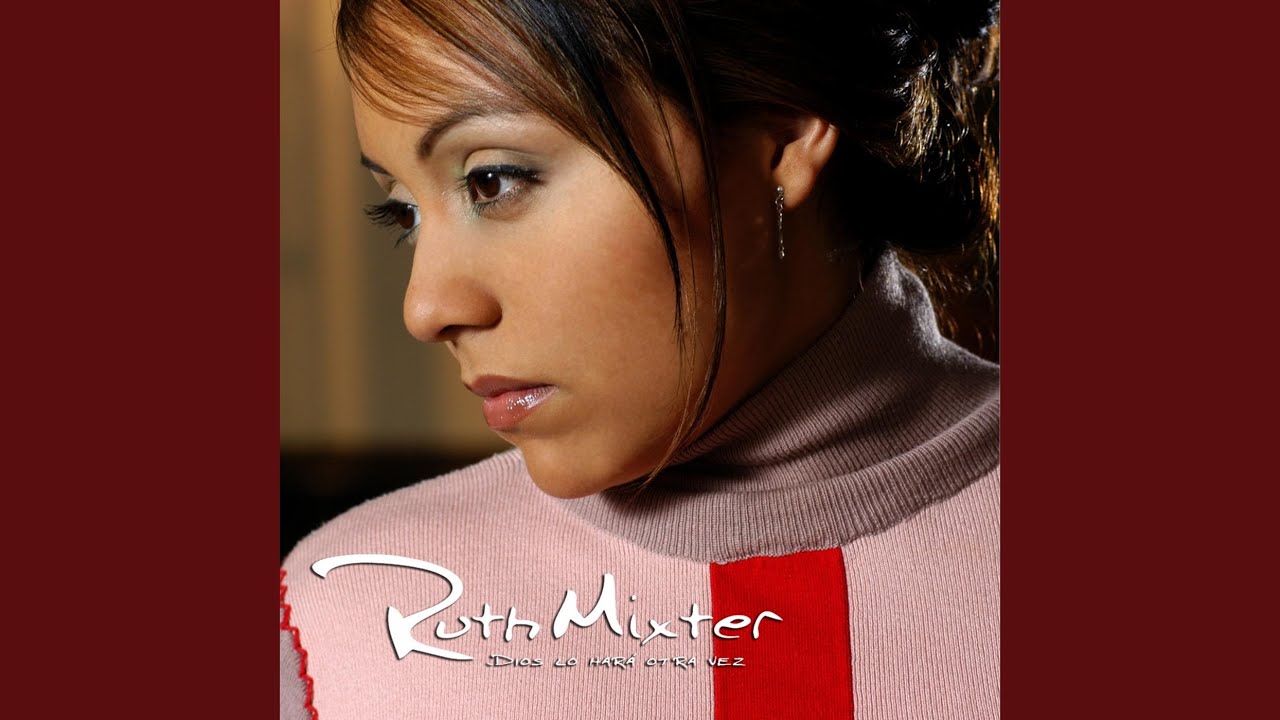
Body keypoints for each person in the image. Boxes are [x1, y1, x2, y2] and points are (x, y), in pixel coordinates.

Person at [280, 0, 1000, 717]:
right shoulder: (350, 620)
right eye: (404, 212)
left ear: (780, 138)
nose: (426, 308)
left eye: (493, 180)